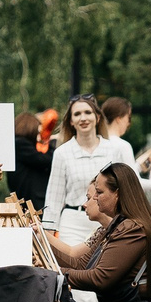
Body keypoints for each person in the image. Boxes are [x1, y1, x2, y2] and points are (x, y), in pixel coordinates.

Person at [47, 162, 151, 302]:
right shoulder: (121, 225)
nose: (94, 199)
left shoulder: (133, 228)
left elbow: (101, 278)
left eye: (99, 193)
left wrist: (54, 274)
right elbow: (82, 264)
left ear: (118, 194)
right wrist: (48, 261)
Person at [42, 94, 134, 245]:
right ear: (71, 121)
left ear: (97, 117)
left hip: (107, 221)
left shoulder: (113, 149)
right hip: (73, 223)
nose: (83, 118)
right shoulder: (62, 153)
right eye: (77, 114)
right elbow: (54, 198)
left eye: (87, 112)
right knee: (72, 265)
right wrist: (48, 234)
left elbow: (124, 190)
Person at [8, 109, 56, 211]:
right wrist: (51, 144)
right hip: (31, 201)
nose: (38, 138)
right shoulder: (20, 144)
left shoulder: (18, 145)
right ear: (30, 129)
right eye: (37, 133)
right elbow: (44, 160)